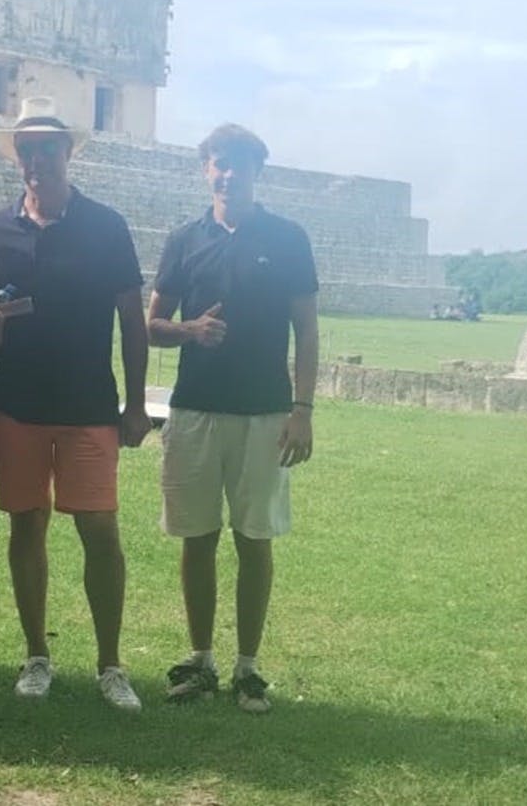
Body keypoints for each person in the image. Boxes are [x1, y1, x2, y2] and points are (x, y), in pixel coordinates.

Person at [0, 96, 150, 713]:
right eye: (26, 150)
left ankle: (111, 662)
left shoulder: (106, 225)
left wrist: (134, 403)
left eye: (47, 148)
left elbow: (132, 320)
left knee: (100, 530)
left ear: (68, 153)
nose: (36, 159)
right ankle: (36, 656)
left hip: (88, 403)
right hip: (16, 401)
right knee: (27, 523)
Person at [146, 123, 319, 714]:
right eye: (219, 163)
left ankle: (248, 665)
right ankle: (200, 660)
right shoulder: (185, 239)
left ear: (255, 173)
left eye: (239, 165)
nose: (228, 174)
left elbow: (308, 329)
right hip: (194, 408)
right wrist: (190, 329)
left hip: (265, 411)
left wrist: (303, 410)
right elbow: (151, 324)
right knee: (197, 536)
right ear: (206, 170)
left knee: (255, 538)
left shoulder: (287, 238)